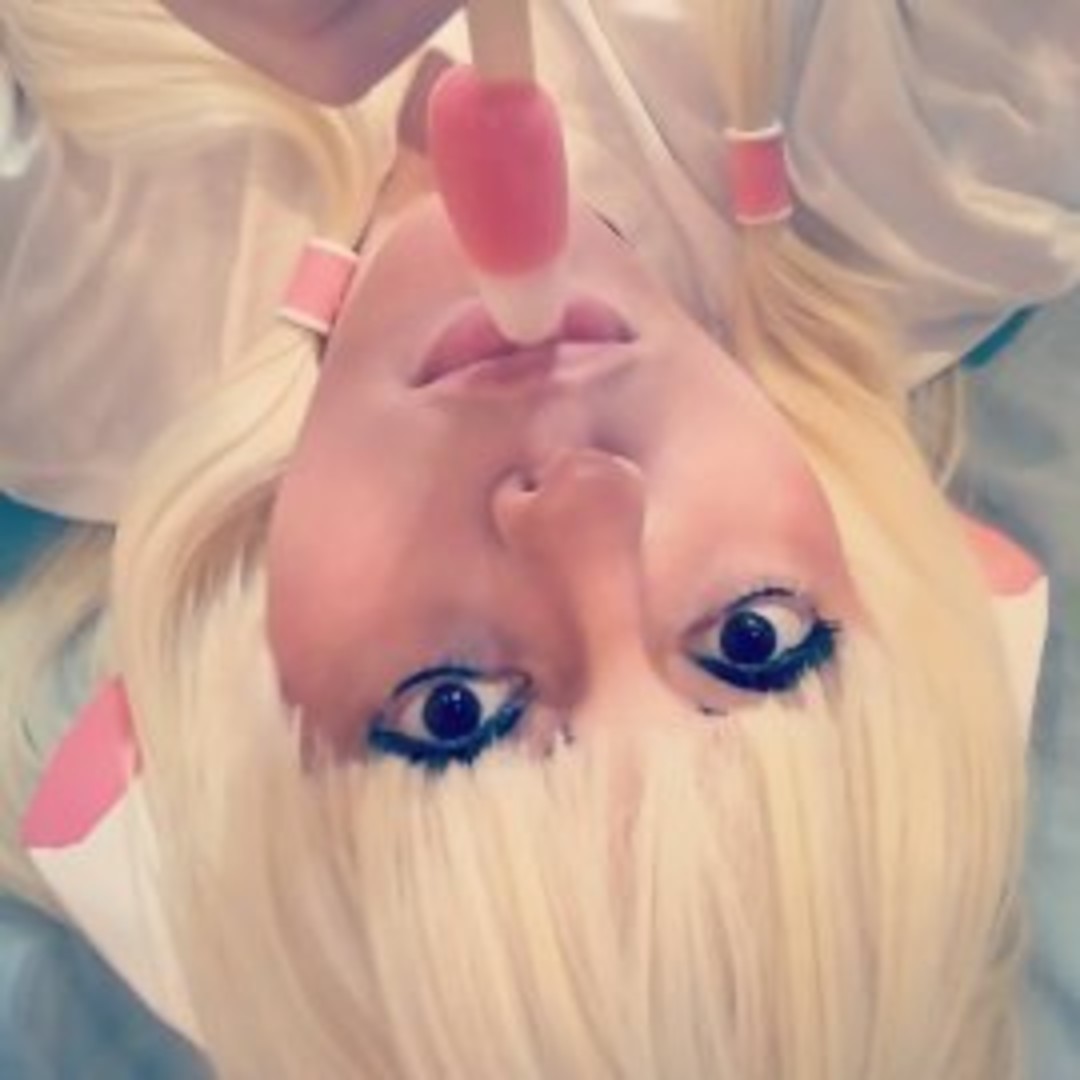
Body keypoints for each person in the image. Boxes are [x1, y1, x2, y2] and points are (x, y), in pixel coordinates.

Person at [0, 0, 1065, 1076]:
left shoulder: (61, 335)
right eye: (753, 639)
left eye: (453, 711)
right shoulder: (944, 180)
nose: (582, 506)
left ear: (233, 734)